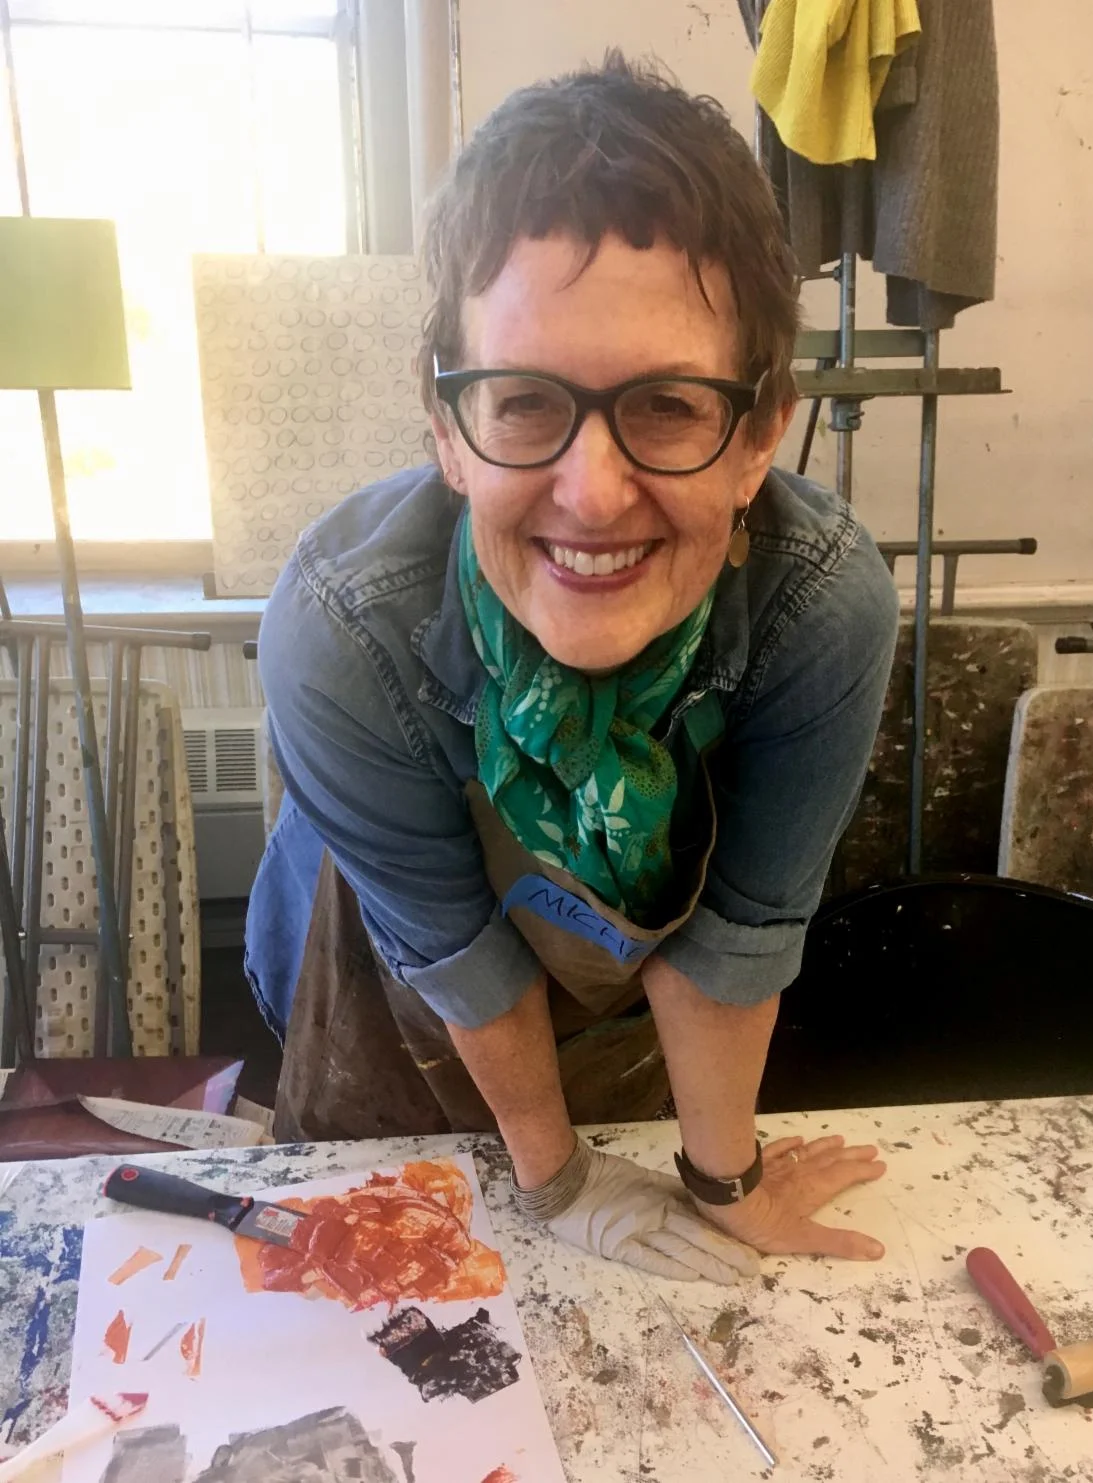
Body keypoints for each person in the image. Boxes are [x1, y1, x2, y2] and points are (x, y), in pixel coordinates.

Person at [245, 53, 900, 1285]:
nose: (594, 496)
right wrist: (558, 1182)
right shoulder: (340, 631)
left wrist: (723, 1182)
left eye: (665, 406)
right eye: (524, 402)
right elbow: (457, 957)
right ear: (448, 428)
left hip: (619, 1027)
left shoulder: (822, 607)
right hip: (385, 1009)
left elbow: (740, 932)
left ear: (761, 434)